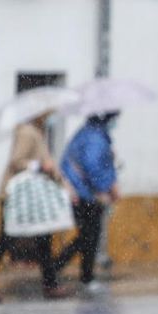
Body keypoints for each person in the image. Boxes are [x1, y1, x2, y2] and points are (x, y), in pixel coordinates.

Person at [0, 112, 71, 303]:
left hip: (31, 196)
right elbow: (16, 161)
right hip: (18, 197)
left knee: (43, 238)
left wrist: (61, 182)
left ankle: (50, 284)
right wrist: (40, 166)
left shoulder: (37, 132)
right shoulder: (27, 132)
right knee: (6, 239)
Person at [54, 112, 121, 296]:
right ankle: (84, 277)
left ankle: (58, 268)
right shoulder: (96, 138)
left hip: (80, 192)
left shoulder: (85, 133)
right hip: (85, 194)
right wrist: (106, 188)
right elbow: (94, 166)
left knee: (86, 236)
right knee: (89, 236)